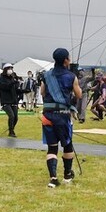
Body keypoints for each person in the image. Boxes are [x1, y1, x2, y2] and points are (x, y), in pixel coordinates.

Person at [41, 48, 82, 187]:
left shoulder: (46, 75)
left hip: (47, 115)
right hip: (63, 116)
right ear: (66, 60)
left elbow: (42, 91)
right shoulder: (71, 76)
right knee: (67, 145)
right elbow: (79, 95)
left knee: (52, 148)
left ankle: (53, 178)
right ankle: (67, 175)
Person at [0, 64, 21, 137]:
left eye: (11, 68)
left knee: (16, 117)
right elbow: (5, 87)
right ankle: (11, 131)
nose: (10, 70)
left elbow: (15, 90)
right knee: (11, 116)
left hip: (13, 100)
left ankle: (11, 129)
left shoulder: (12, 78)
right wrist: (12, 83)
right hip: (6, 101)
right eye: (9, 68)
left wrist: (24, 90)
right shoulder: (2, 79)